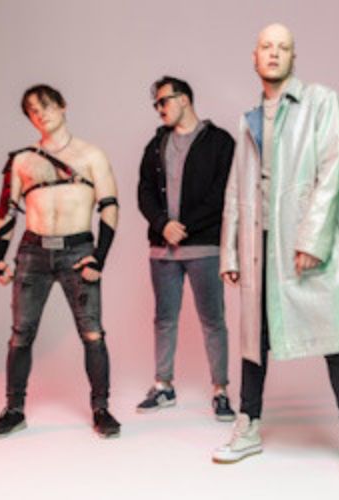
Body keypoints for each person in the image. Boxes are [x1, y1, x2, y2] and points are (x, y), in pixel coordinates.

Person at [212, 24, 339, 487]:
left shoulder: (322, 102)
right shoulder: (248, 119)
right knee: (254, 338)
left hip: (301, 240)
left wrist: (312, 239)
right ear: (254, 57)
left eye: (283, 47)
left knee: (334, 336)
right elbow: (236, 189)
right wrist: (230, 250)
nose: (274, 53)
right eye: (266, 47)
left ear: (294, 57)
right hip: (258, 244)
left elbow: (332, 171)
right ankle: (248, 425)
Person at [0, 84, 120, 438]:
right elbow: (5, 213)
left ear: (62, 106)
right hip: (32, 251)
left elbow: (110, 207)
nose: (41, 114)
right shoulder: (22, 160)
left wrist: (99, 258)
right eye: (33, 111)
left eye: (46, 106)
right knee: (21, 334)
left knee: (92, 332)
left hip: (78, 251)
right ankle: (14, 409)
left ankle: (101, 409)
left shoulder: (91, 155)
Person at [137, 76, 236, 421]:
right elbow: (144, 191)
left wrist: (184, 227)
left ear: (184, 99)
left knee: (213, 320)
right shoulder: (156, 144)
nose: (159, 109)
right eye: (156, 104)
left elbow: (223, 193)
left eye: (163, 101)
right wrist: (163, 224)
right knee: (164, 319)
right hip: (162, 250)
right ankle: (163, 385)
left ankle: (220, 391)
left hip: (204, 247)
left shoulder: (220, 142)